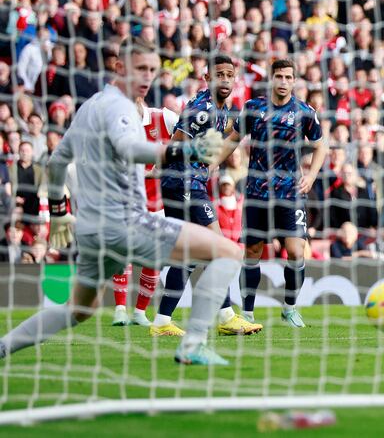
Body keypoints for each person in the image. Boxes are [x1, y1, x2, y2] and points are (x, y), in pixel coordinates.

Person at [0, 37, 239, 366]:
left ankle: (3, 346)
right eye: (140, 68)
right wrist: (183, 150)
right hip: (126, 223)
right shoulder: (120, 107)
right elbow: (128, 148)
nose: (147, 77)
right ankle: (192, 344)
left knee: (77, 310)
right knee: (227, 251)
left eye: (152, 70)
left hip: (92, 231)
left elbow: (55, 163)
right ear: (119, 67)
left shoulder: (88, 108)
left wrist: (59, 212)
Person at [151, 54, 262, 337]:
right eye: (219, 74)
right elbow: (177, 144)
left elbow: (225, 138)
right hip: (183, 181)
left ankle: (162, 321)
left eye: (229, 75)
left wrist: (212, 161)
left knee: (187, 255)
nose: (225, 80)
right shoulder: (201, 108)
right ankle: (225, 316)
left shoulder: (224, 109)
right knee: (218, 246)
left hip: (189, 182)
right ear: (207, 78)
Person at [217, 59, 328, 327]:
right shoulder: (254, 108)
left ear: (294, 81)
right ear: (271, 79)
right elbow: (232, 140)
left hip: (290, 194)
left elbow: (321, 145)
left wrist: (311, 176)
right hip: (257, 193)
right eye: (279, 76)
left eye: (289, 77)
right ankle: (248, 313)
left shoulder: (304, 111)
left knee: (296, 251)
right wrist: (210, 164)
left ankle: (289, 308)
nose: (283, 82)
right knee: (253, 251)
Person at [109, 97, 179, 327]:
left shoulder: (164, 118)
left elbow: (188, 136)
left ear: (138, 100)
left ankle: (139, 312)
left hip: (159, 203)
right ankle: (120, 309)